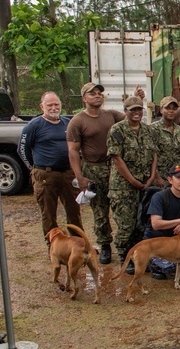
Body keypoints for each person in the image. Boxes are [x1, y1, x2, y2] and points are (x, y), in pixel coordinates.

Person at [66, 82, 126, 263]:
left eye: (99, 93)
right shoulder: (77, 121)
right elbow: (73, 151)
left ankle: (124, 246)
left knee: (121, 208)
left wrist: (136, 98)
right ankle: (105, 245)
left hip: (114, 167)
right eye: (92, 94)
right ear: (84, 98)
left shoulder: (111, 115)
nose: (98, 95)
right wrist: (79, 177)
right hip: (93, 168)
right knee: (100, 210)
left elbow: (132, 117)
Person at [19, 91, 83, 240]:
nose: (54, 108)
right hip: (45, 175)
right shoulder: (34, 126)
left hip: (68, 174)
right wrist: (34, 168)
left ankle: (79, 244)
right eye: (50, 105)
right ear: (42, 106)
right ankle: (53, 248)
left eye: (56, 104)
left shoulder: (68, 123)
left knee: (74, 211)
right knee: (49, 214)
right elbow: (22, 150)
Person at [107, 96, 159, 265]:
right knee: (126, 223)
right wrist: (132, 180)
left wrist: (152, 177)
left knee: (141, 223)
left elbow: (154, 155)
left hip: (144, 184)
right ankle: (124, 255)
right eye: (133, 110)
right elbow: (116, 159)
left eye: (139, 109)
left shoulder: (148, 130)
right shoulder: (117, 130)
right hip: (123, 186)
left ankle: (139, 255)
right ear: (126, 112)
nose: (136, 113)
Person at [151, 96, 180, 187]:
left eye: (174, 108)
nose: (171, 111)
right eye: (167, 108)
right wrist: (156, 177)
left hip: (177, 177)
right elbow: (150, 156)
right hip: (160, 176)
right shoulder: (152, 130)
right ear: (161, 110)